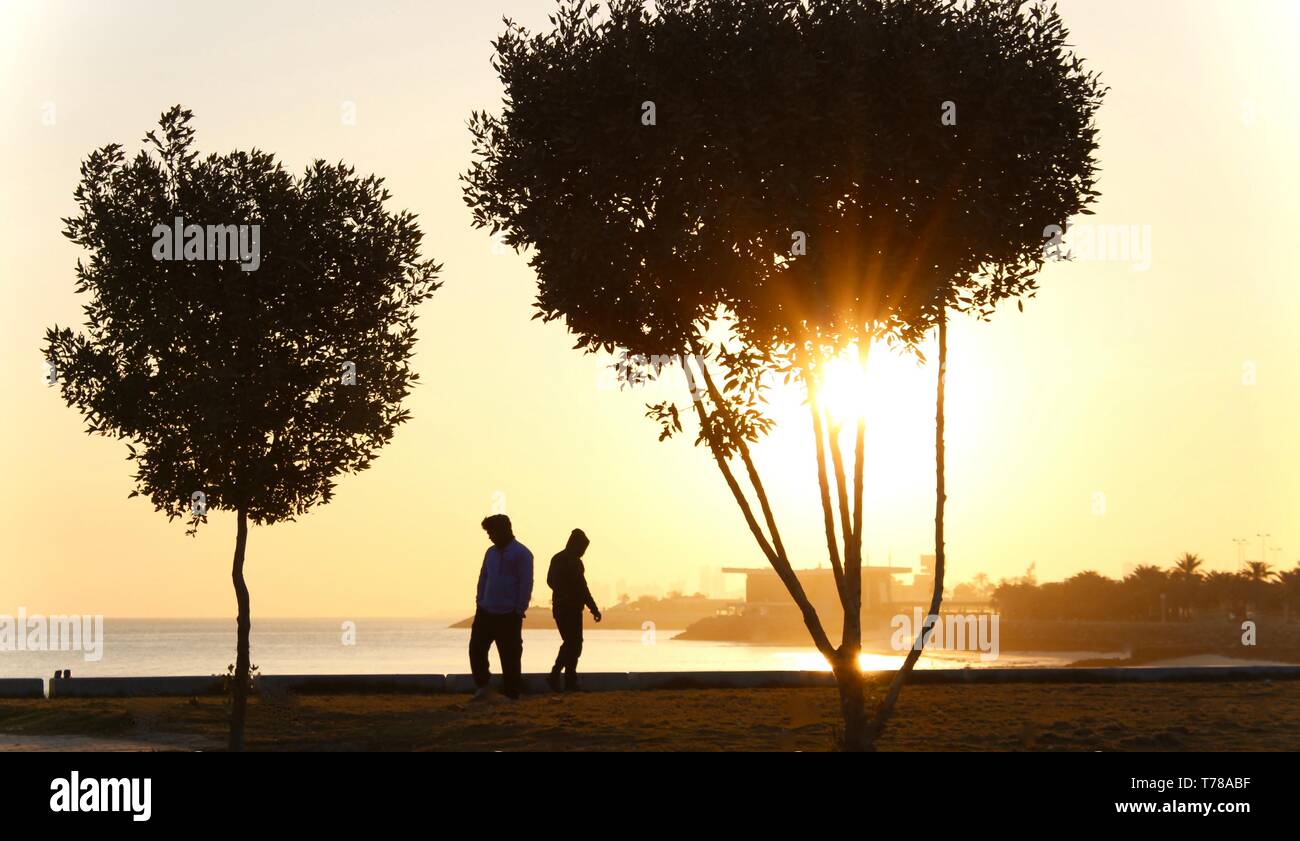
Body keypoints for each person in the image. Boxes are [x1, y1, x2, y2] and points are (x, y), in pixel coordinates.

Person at [469, 514, 533, 701]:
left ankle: (512, 693)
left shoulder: (522, 554)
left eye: (492, 532)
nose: (490, 536)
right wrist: (480, 601)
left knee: (510, 655)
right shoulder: (490, 553)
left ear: (504, 530)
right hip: (485, 611)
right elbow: (483, 577)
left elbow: (526, 583)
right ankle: (483, 686)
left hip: (509, 614)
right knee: (476, 649)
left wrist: (519, 610)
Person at [546, 528, 601, 691]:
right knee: (574, 643)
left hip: (560, 609)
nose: (583, 552)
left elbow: (550, 581)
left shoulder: (557, 558)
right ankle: (559, 676)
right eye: (583, 548)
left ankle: (565, 678)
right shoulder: (574, 562)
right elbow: (582, 588)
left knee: (571, 643)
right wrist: (594, 608)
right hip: (570, 610)